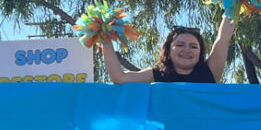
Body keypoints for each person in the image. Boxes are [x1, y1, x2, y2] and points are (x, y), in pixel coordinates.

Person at [99, 17, 235, 84]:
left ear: (200, 53)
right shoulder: (157, 74)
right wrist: (104, 37)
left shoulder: (210, 72)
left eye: (193, 46)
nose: (187, 50)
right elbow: (119, 78)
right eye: (180, 45)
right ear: (168, 50)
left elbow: (223, 39)